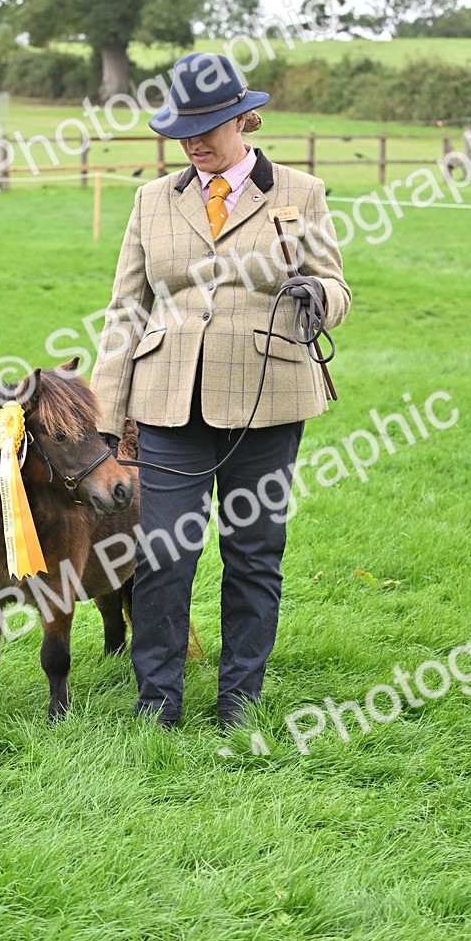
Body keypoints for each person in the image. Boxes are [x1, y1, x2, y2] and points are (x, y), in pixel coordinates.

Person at [90, 52, 351, 728]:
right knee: (165, 554)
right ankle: (157, 706)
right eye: (183, 129)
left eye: (208, 126)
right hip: (167, 403)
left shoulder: (301, 192)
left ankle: (240, 702)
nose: (195, 141)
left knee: (254, 552)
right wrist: (103, 415)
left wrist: (318, 294)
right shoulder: (152, 200)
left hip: (268, 403)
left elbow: (339, 285)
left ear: (243, 117)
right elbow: (125, 311)